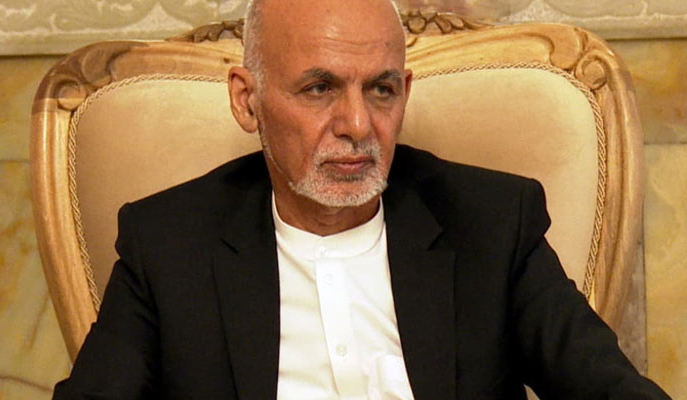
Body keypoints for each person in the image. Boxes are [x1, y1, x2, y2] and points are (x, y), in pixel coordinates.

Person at [53, 0, 671, 398]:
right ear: (247, 100)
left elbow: (608, 389)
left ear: (405, 91)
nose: (357, 124)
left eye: (380, 90)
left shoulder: (490, 223)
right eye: (319, 88)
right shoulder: (168, 244)